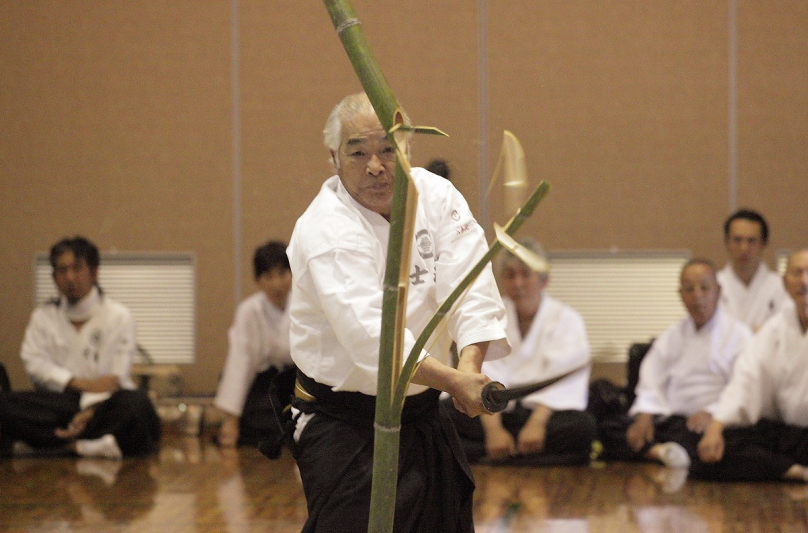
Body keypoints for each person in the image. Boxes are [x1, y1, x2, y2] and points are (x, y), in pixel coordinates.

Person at [285, 92, 510, 532]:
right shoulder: (325, 229)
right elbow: (373, 339)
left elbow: (471, 287)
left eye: (388, 149)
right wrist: (454, 382)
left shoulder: (437, 196)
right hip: (344, 421)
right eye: (358, 152)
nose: (376, 166)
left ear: (408, 147)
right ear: (334, 158)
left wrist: (469, 367)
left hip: (423, 410)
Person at [0, 236, 160, 459]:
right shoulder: (43, 316)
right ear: (54, 277)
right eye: (62, 270)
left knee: (138, 406)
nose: (70, 278)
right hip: (62, 402)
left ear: (94, 272)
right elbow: (35, 364)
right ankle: (93, 443)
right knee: (4, 405)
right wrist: (76, 383)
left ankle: (63, 445)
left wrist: (90, 411)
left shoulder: (119, 316)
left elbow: (114, 379)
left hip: (105, 403)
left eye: (77, 268)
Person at [445, 242, 597, 466]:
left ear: (544, 280)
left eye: (526, 275)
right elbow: (482, 375)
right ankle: (519, 453)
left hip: (544, 413)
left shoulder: (567, 319)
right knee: (444, 414)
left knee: (583, 426)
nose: (518, 283)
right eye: (510, 275)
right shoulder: (489, 316)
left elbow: (564, 379)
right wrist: (494, 431)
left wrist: (537, 423)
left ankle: (492, 454)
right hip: (494, 410)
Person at [599, 258, 752, 472]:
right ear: (680, 295)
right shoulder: (672, 335)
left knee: (717, 440)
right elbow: (651, 379)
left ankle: (658, 450)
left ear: (718, 291)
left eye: (705, 288)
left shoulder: (739, 335)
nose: (697, 296)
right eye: (689, 289)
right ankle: (661, 452)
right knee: (610, 426)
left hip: (707, 423)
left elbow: (743, 388)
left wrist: (713, 413)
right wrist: (646, 413)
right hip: (670, 420)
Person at [695, 248, 808, 483]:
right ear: (784, 282)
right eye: (797, 273)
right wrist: (716, 425)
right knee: (720, 447)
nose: (805, 281)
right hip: (787, 432)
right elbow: (747, 376)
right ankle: (796, 471)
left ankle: (781, 467)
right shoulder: (776, 328)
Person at [214, 240, 294, 448]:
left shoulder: (306, 306)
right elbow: (240, 362)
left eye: (282, 274)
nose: (277, 284)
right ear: (258, 280)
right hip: (265, 383)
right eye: (268, 276)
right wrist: (231, 421)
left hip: (299, 382)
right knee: (265, 421)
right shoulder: (248, 311)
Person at [717, 209, 788, 331]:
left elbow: (786, 330)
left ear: (763, 243)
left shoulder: (781, 286)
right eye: (737, 240)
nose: (744, 248)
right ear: (727, 242)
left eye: (751, 241)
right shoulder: (712, 285)